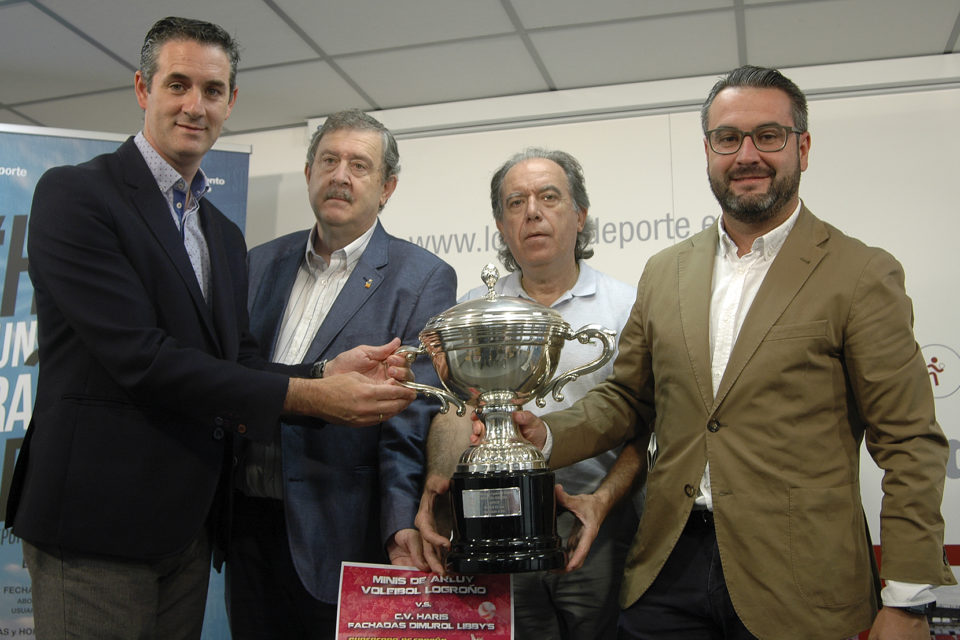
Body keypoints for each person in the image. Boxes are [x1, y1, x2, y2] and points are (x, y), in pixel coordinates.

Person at [3, 18, 416, 639]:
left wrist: (323, 373)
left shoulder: (222, 234)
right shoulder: (77, 195)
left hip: (188, 531)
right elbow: (141, 357)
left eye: (213, 90)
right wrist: (310, 395)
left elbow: (236, 358)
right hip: (95, 529)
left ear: (231, 102)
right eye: (178, 85)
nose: (195, 106)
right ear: (143, 89)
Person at [513, 65, 956, 640]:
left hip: (801, 583)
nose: (747, 154)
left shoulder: (861, 272)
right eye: (728, 139)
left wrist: (907, 599)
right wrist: (542, 435)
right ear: (708, 151)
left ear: (804, 146)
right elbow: (627, 399)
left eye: (768, 135)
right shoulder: (665, 270)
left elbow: (909, 442)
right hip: (667, 571)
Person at [228, 109, 457, 638]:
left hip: (341, 530)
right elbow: (235, 375)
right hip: (245, 525)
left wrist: (399, 523)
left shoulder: (421, 279)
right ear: (309, 172)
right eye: (328, 160)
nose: (340, 175)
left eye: (359, 165)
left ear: (386, 187)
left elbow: (410, 417)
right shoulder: (258, 263)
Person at [416, 148, 640, 639]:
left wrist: (602, 502)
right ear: (501, 225)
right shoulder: (477, 309)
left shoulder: (626, 308)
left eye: (549, 197)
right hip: (496, 525)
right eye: (515, 202)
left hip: (594, 528)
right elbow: (459, 410)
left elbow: (645, 431)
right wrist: (438, 478)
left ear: (580, 215)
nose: (532, 212)